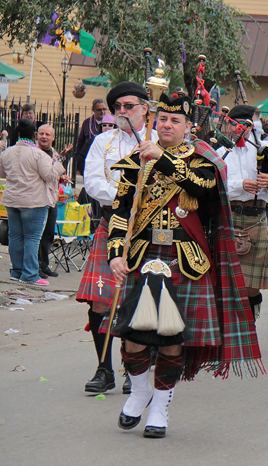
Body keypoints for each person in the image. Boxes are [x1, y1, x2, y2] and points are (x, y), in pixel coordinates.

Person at [107, 92, 261, 438]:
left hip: (185, 259)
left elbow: (202, 187)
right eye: (162, 119)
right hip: (144, 256)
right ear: (154, 121)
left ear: (189, 127)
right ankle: (140, 390)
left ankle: (160, 407)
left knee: (171, 337)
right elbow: (120, 211)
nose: (167, 124)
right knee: (132, 334)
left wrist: (160, 159)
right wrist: (115, 253)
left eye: (175, 120)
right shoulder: (138, 159)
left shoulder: (201, 159)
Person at [76, 81, 154, 395]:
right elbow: (93, 182)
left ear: (145, 109)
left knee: (138, 302)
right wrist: (125, 197)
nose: (121, 112)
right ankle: (104, 369)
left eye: (128, 106)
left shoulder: (159, 141)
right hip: (112, 226)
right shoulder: (102, 142)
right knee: (100, 301)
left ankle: (132, 369)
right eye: (117, 107)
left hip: (149, 230)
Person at [217, 105, 268, 319]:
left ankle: (249, 323)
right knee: (229, 279)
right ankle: (230, 323)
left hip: (256, 216)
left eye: (240, 125)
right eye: (232, 125)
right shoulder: (221, 151)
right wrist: (240, 184)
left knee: (251, 285)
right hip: (229, 216)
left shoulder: (266, 147)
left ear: (249, 126)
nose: (235, 130)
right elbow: (214, 182)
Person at [0, 118, 65, 285]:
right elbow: (50, 176)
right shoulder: (38, 154)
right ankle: (30, 274)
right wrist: (58, 166)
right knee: (32, 238)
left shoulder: (6, 152)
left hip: (12, 200)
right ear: (34, 135)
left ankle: (16, 271)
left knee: (15, 236)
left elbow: (2, 173)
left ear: (19, 134)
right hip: (33, 201)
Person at [36, 124, 70, 278]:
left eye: (47, 134)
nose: (44, 136)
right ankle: (35, 266)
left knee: (49, 233)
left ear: (53, 138)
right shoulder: (34, 152)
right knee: (36, 234)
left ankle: (44, 265)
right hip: (37, 199)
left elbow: (54, 172)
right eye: (41, 133)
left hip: (52, 199)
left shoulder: (54, 154)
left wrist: (62, 177)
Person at [74, 99, 108, 174]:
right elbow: (80, 143)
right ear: (93, 110)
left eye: (104, 109)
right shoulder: (87, 123)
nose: (102, 112)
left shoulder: (111, 123)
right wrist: (79, 164)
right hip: (89, 161)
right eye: (99, 110)